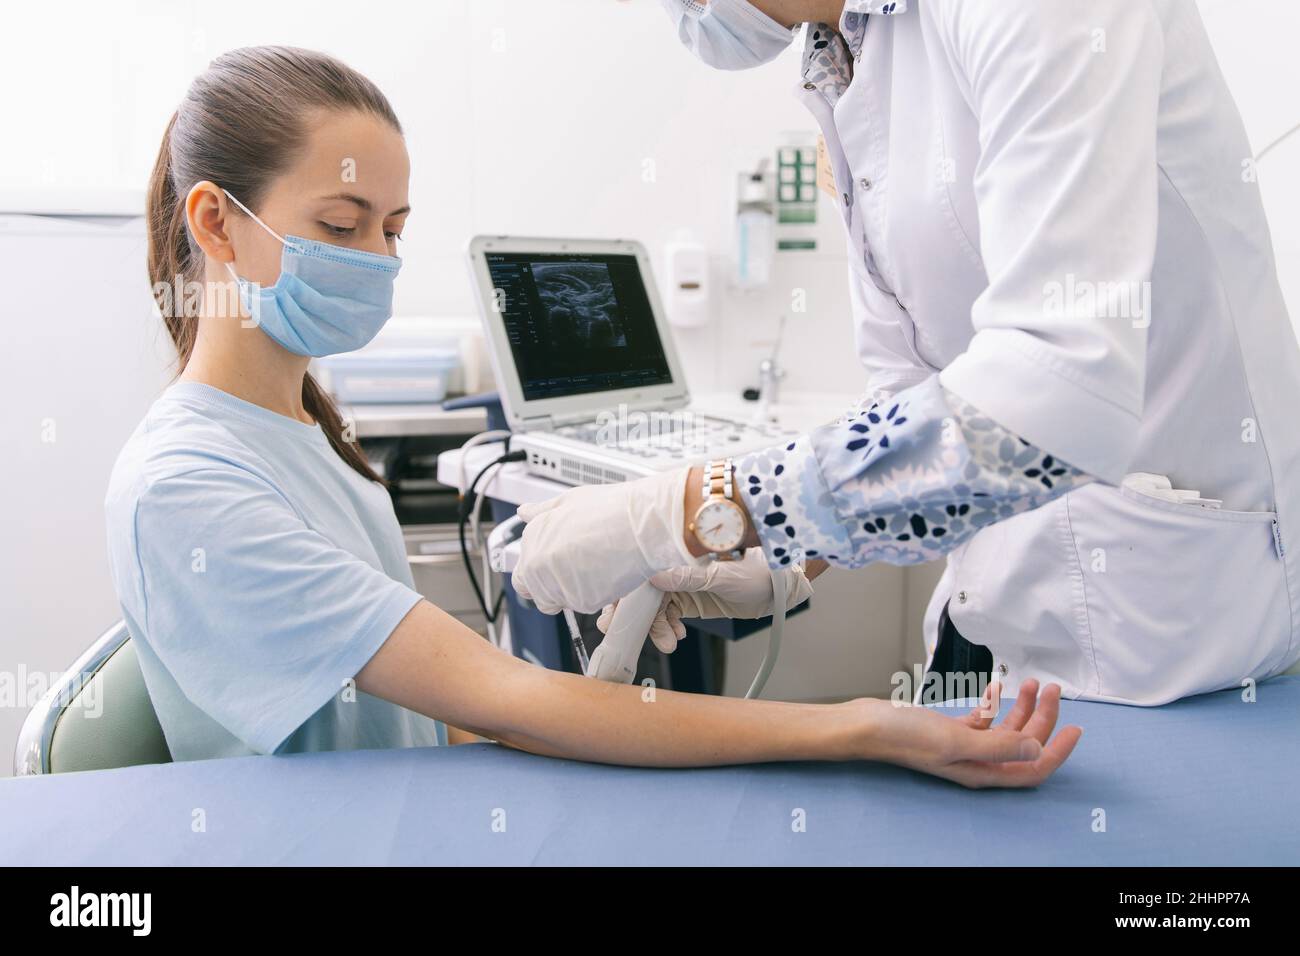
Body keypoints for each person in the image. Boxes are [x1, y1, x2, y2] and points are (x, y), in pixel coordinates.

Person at [102, 45, 1077, 788]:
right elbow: (500, 698)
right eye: (342, 227)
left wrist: (627, 634)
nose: (378, 261)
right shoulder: (190, 483)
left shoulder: (308, 428)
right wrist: (863, 725)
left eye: (395, 230)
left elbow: (452, 708)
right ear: (217, 221)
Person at [512, 0, 1300, 706]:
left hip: (1172, 631)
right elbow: (912, 395)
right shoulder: (853, 50)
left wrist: (696, 509)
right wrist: (780, 549)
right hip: (994, 604)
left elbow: (1061, 396)